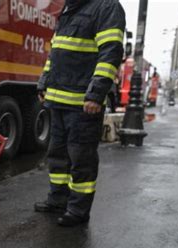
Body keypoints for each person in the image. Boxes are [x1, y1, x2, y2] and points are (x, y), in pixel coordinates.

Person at [35, 0, 125, 226]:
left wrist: (95, 94)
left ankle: (78, 210)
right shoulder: (69, 9)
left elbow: (110, 53)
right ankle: (58, 199)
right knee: (57, 157)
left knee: (81, 160)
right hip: (57, 101)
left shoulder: (107, 7)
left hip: (82, 104)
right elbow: (55, 54)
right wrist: (44, 82)